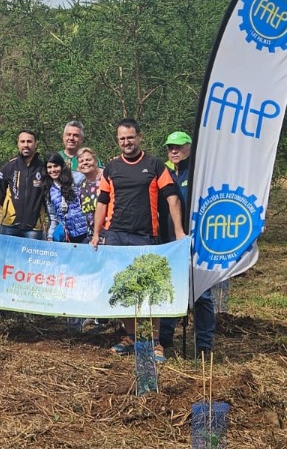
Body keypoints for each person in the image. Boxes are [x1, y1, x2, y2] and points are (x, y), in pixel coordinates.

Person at [90, 119, 186, 363]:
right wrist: (96, 233)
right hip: (116, 236)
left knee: (150, 291)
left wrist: (179, 232)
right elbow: (101, 202)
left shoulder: (154, 165)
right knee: (123, 291)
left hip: (146, 235)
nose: (126, 142)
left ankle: (155, 343)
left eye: (130, 137)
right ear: (118, 140)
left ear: (139, 137)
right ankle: (131, 337)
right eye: (122, 138)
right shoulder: (111, 168)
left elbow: (172, 198)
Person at [155, 131, 215, 358]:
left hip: (197, 241)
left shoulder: (200, 171)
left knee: (202, 294)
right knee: (169, 290)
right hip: (169, 240)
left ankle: (204, 345)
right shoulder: (164, 172)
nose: (174, 151)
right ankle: (165, 339)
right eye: (170, 147)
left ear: (189, 147)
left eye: (178, 147)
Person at [0, 129, 49, 240]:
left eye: (29, 141)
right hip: (9, 226)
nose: (26, 145)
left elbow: (47, 197)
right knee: (6, 257)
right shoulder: (8, 167)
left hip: (33, 229)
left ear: (35, 144)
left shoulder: (44, 169)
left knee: (31, 258)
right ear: (18, 144)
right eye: (22, 141)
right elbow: (0, 195)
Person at [44, 152, 90, 244]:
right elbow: (53, 217)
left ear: (61, 166)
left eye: (56, 166)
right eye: (49, 167)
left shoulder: (77, 178)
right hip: (67, 236)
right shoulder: (49, 189)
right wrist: (50, 236)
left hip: (85, 233)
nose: (53, 170)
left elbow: (89, 204)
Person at [75, 147, 102, 231]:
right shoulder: (81, 185)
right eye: (81, 161)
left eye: (88, 160)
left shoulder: (106, 179)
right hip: (91, 234)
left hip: (109, 233)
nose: (85, 163)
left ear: (96, 161)